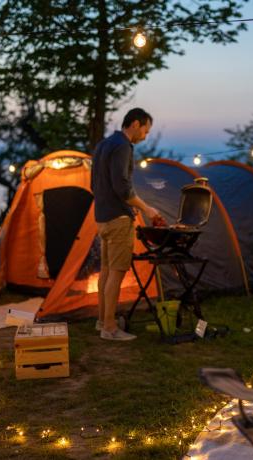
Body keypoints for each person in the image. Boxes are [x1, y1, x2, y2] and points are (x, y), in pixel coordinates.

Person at [91, 108, 162, 341]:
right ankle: (110, 328)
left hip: (102, 218)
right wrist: (145, 208)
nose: (145, 136)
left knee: (106, 272)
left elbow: (95, 184)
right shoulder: (122, 145)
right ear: (134, 124)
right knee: (116, 273)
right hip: (119, 220)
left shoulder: (103, 145)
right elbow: (122, 187)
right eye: (145, 130)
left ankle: (102, 320)